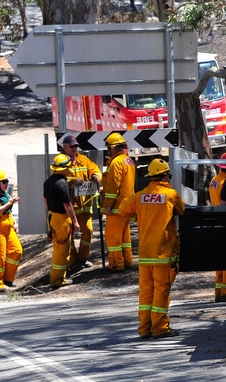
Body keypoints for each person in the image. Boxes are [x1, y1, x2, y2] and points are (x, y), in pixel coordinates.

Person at [119, 158, 185, 339]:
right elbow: (182, 211)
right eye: (168, 175)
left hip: (145, 253)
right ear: (164, 176)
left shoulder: (140, 196)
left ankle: (144, 328)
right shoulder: (170, 195)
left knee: (146, 291)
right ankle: (160, 328)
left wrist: (138, 218)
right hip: (163, 253)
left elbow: (123, 209)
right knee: (161, 290)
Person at [60, 134, 101, 268]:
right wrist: (71, 180)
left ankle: (83, 258)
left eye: (76, 146)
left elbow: (95, 170)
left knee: (88, 231)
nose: (74, 149)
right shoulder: (61, 161)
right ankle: (73, 261)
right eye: (72, 146)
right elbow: (58, 180)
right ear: (65, 147)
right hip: (69, 208)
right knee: (69, 236)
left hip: (85, 207)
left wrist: (96, 176)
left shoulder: (84, 160)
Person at [43, 154, 81, 289]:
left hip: (52, 217)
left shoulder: (48, 182)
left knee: (57, 249)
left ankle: (58, 276)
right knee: (62, 251)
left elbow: (46, 201)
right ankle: (57, 280)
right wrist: (75, 222)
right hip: (61, 220)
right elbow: (68, 205)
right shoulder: (62, 184)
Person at [100, 132, 135, 271]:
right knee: (125, 236)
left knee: (113, 237)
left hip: (116, 207)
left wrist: (107, 205)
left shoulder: (116, 163)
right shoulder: (128, 160)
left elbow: (114, 186)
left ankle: (116, 264)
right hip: (127, 205)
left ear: (112, 148)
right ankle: (128, 261)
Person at [209, 151, 226, 303]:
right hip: (225, 220)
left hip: (215, 220)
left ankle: (219, 290)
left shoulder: (214, 180)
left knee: (220, 260)